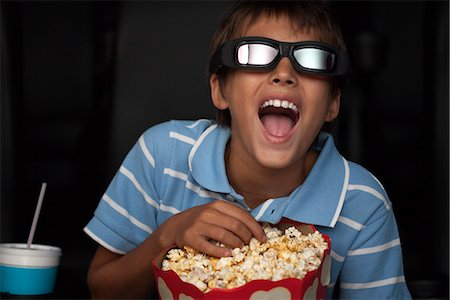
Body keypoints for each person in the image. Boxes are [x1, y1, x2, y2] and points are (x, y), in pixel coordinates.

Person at [84, 1, 412, 299]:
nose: (284, 74)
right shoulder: (162, 156)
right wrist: (167, 237)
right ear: (220, 90)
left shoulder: (362, 205)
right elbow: (102, 289)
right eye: (255, 54)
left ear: (332, 104)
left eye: (311, 59)